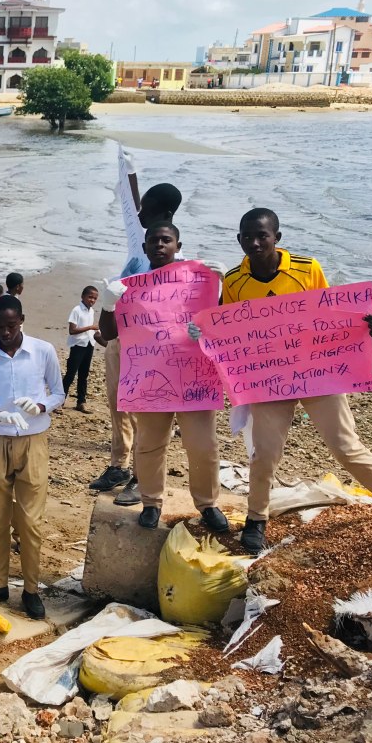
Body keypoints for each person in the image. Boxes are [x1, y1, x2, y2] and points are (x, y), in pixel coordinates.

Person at [206, 207, 372, 553]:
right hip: (270, 380)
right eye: (247, 236)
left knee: (346, 445)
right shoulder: (234, 281)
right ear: (238, 240)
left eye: (262, 235)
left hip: (316, 375)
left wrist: (365, 326)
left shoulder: (307, 269)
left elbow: (329, 315)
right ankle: (256, 518)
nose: (255, 242)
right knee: (264, 454)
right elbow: (231, 332)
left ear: (276, 238)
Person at [99, 223, 227, 533]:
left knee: (203, 446)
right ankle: (151, 503)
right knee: (149, 445)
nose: (159, 245)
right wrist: (107, 304)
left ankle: (207, 504)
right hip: (150, 380)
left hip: (193, 379)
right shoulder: (131, 288)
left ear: (177, 245)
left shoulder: (198, 283)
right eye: (153, 240)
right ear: (144, 248)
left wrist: (224, 287)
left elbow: (222, 322)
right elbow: (109, 333)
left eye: (165, 240)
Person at [0, 296, 64, 619]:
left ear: (22, 320)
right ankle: (0, 584)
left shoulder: (43, 351)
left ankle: (32, 589)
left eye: (11, 326)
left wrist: (40, 407)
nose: (5, 333)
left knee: (30, 521)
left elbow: (58, 393)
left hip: (34, 442)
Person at [89, 176, 184, 501]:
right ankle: (120, 464)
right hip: (119, 339)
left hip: (147, 347)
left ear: (166, 212)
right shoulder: (140, 247)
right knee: (118, 403)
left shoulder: (170, 254)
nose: (139, 213)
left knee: (147, 409)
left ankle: (143, 475)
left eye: (146, 208)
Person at [63, 285, 103, 413]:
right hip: (78, 345)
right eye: (90, 297)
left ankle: (81, 402)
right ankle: (59, 401)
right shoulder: (77, 310)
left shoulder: (90, 311)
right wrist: (90, 327)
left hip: (89, 344)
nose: (92, 300)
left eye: (94, 298)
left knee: (84, 375)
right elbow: (72, 330)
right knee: (70, 374)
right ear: (83, 296)